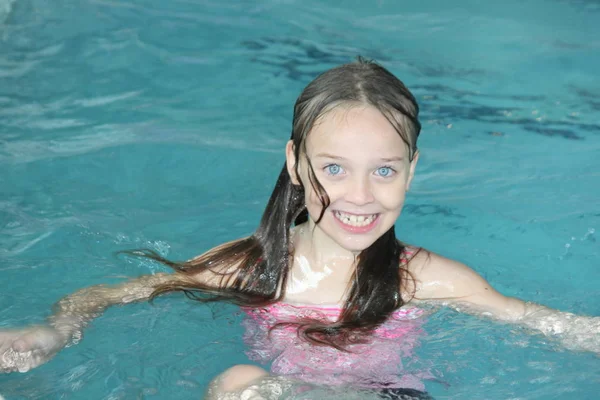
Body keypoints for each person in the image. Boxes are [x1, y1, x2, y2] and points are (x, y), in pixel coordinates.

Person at [1, 58, 598, 400]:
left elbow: (544, 323)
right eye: (334, 168)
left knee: (241, 386)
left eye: (384, 170)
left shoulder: (421, 279)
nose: (360, 196)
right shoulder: (250, 268)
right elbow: (110, 293)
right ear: (294, 163)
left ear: (412, 171)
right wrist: (54, 331)